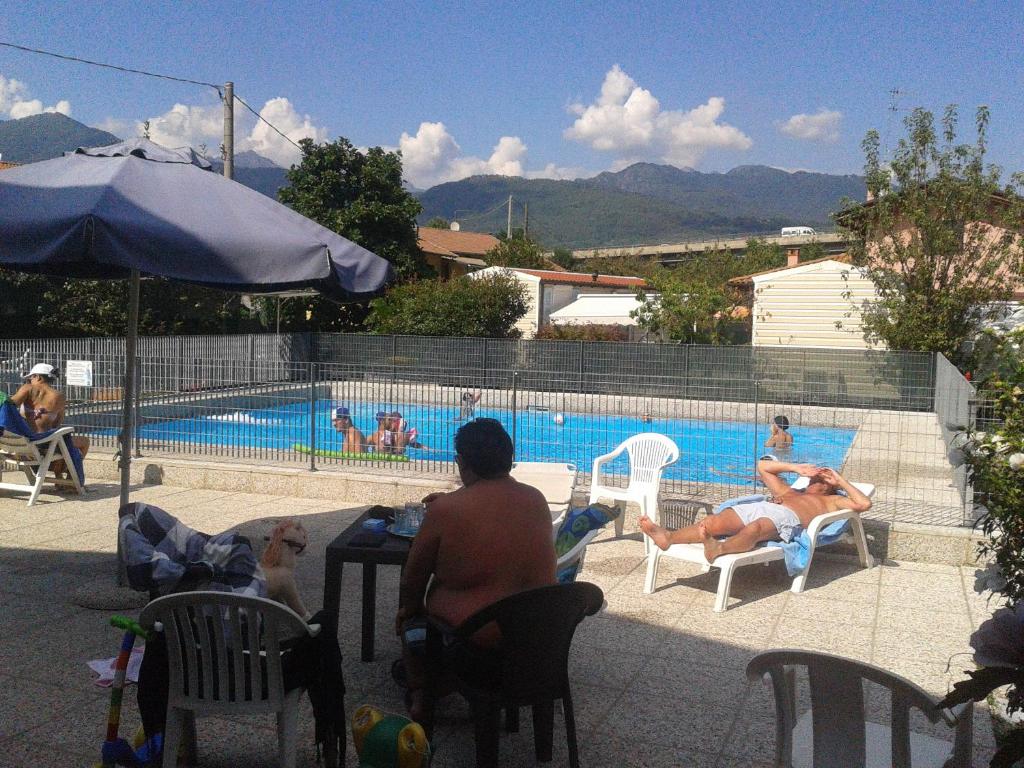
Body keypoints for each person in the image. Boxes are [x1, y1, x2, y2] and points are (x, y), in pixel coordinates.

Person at [395, 418, 555, 720]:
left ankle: (422, 695)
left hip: (475, 648)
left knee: (411, 620)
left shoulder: (447, 510)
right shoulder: (536, 499)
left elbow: (413, 579)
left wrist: (407, 610)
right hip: (534, 640)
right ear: (508, 458)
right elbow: (498, 522)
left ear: (461, 462)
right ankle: (440, 681)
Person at [639, 458, 871, 563]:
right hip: (765, 506)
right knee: (713, 522)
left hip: (786, 518)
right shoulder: (789, 492)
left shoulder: (832, 501)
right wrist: (795, 468)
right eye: (816, 476)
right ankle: (667, 537)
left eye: (823, 477)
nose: (816, 479)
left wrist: (840, 481)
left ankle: (718, 549)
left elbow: (863, 504)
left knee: (756, 528)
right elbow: (763, 467)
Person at [9, 363, 90, 472]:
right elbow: (57, 423)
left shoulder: (27, 389)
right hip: (46, 443)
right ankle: (70, 480)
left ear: (38, 377)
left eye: (30, 377)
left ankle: (62, 478)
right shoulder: (59, 396)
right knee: (83, 442)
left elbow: (9, 405)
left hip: (25, 443)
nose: (29, 381)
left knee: (63, 446)